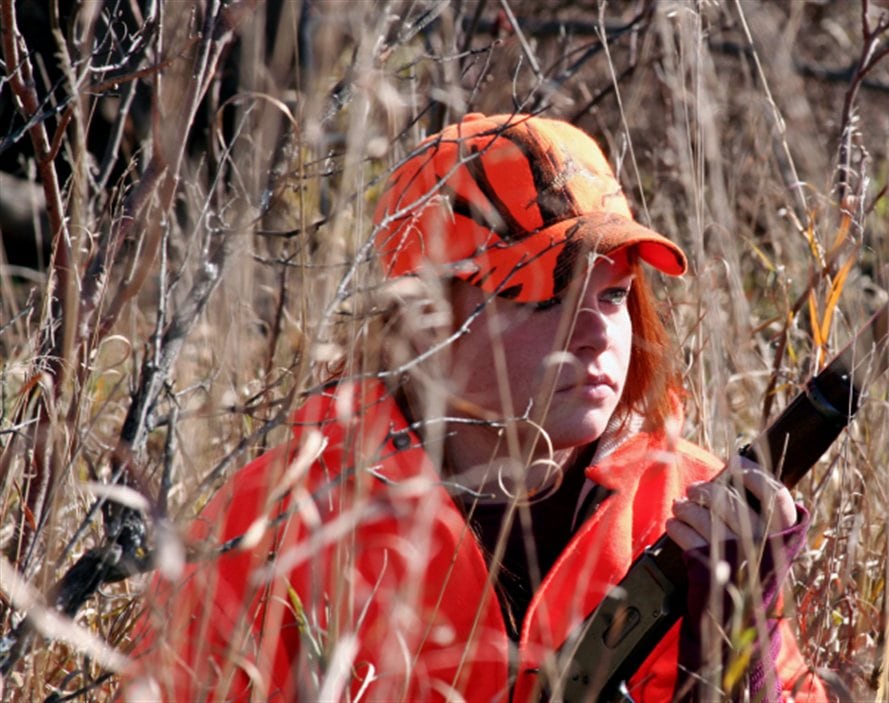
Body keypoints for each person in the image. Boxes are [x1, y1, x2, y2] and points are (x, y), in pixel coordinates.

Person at [132, 113, 825, 701]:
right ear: (424, 321)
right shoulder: (272, 523)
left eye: (613, 295)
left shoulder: (694, 506)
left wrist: (742, 641)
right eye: (543, 296)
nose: (598, 335)